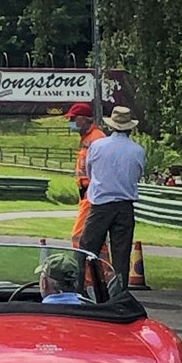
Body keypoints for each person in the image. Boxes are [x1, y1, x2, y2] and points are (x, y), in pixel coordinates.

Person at [79, 106, 146, 288]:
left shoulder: (97, 146)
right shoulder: (138, 150)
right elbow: (137, 175)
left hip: (101, 203)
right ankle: (119, 291)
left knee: (87, 248)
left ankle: (82, 286)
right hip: (125, 205)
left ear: (111, 126)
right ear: (130, 127)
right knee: (121, 253)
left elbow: (90, 173)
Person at [66, 100, 107, 254]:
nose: (71, 123)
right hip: (86, 193)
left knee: (80, 236)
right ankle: (103, 273)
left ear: (83, 119)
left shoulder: (97, 138)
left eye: (73, 119)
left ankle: (87, 276)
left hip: (92, 192)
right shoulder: (87, 138)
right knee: (95, 239)